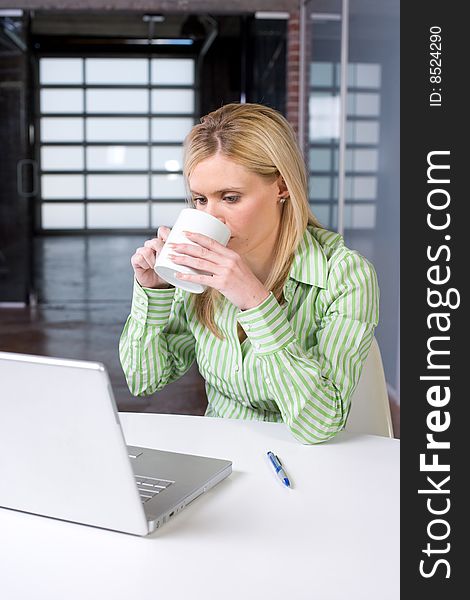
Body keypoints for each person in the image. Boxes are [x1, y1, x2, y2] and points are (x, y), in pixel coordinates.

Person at [119, 103, 379, 444]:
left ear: (282, 187)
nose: (213, 218)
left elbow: (319, 424)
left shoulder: (345, 276)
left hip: (309, 461)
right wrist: (153, 290)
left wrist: (256, 304)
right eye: (200, 200)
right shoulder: (195, 265)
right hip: (223, 454)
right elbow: (144, 380)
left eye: (230, 197)